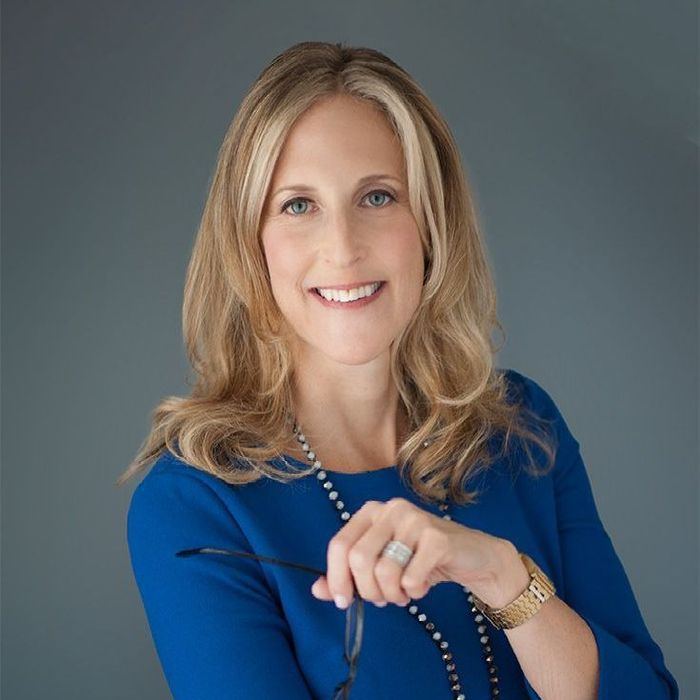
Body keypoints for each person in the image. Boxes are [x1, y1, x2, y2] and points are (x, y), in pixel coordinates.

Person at [118, 41, 679, 699]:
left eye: (378, 197)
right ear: (250, 243)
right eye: (298, 205)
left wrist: (501, 576)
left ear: (432, 224)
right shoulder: (195, 507)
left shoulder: (523, 431)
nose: (344, 247)